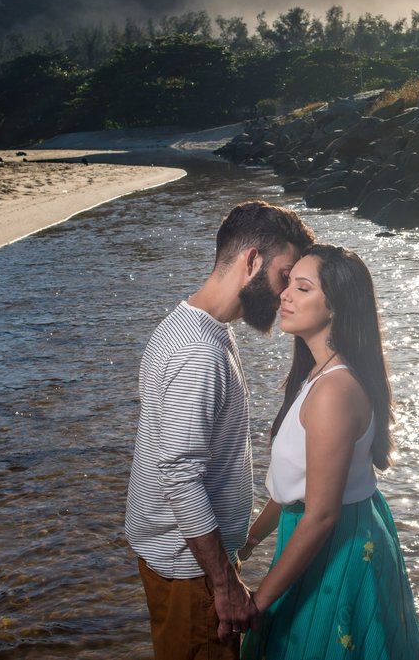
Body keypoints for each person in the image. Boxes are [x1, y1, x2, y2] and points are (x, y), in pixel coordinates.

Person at [125, 200, 315, 660]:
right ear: (252, 261)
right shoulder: (198, 353)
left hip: (182, 561)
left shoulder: (190, 324)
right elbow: (179, 475)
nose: (285, 293)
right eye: (283, 275)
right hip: (189, 569)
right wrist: (224, 584)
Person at [239, 244, 419, 660]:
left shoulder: (334, 391)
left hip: (337, 548)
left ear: (336, 308)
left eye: (302, 288)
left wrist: (256, 603)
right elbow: (295, 484)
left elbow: (322, 513)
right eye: (288, 283)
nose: (285, 294)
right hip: (325, 535)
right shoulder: (317, 373)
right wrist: (250, 540)